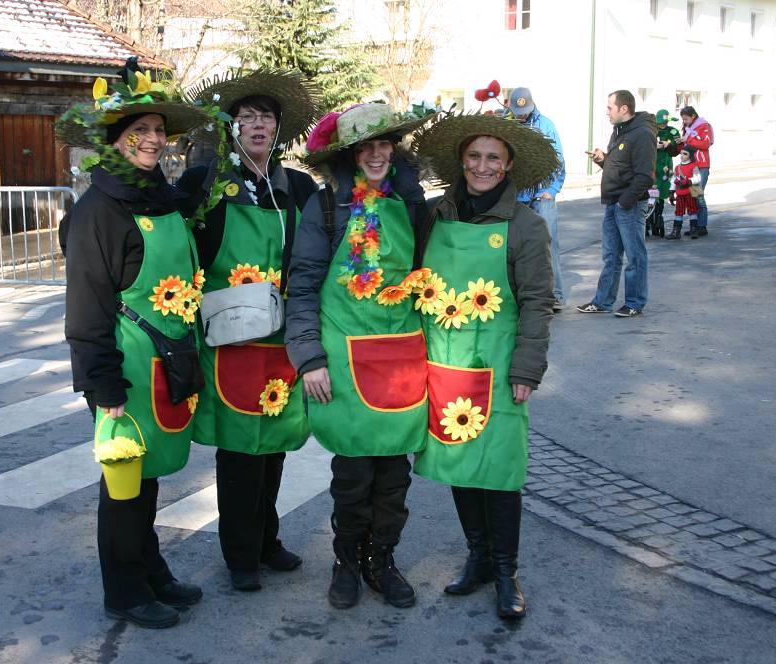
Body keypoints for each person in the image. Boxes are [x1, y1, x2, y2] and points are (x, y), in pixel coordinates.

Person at [56, 58, 211, 629]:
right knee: (124, 483)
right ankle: (124, 589)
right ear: (115, 139)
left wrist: (208, 164)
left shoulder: (157, 196)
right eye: (138, 130)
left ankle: (151, 570)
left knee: (147, 480)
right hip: (124, 371)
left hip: (164, 362)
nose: (151, 139)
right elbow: (86, 307)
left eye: (158, 130)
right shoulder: (98, 210)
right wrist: (104, 386)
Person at [285, 102, 434, 610]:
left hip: (401, 358)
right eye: (365, 146)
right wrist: (309, 357)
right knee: (352, 478)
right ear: (350, 154)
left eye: (384, 144)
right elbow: (304, 284)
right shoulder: (327, 208)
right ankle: (346, 561)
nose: (376, 154)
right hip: (344, 358)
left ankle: (382, 561)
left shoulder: (411, 205)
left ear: (395, 149)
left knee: (393, 478)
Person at [177, 70, 321, 593]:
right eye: (247, 117)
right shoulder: (205, 183)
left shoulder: (298, 187)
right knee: (239, 453)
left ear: (278, 129)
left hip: (280, 341)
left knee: (274, 447)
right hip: (229, 341)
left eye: (266, 118)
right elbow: (174, 239)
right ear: (230, 126)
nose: (258, 126)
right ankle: (240, 555)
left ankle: (267, 541)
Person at [411, 112, 556, 620]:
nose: (482, 165)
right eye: (474, 156)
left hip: (499, 367)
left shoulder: (526, 226)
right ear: (461, 161)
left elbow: (538, 302)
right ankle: (477, 557)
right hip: (444, 362)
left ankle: (505, 571)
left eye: (493, 157)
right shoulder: (434, 215)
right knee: (459, 462)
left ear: (508, 164)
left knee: (499, 471)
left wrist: (527, 370)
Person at [577, 90, 656, 318]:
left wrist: (624, 202)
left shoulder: (642, 133)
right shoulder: (620, 131)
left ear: (624, 109)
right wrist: (604, 160)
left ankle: (635, 303)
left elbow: (645, 176)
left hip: (629, 205)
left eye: (610, 107)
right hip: (614, 203)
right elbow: (621, 167)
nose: (607, 112)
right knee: (611, 257)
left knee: (635, 256)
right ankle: (603, 302)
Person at [507, 87, 566, 311]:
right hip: (517, 197)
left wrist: (552, 189)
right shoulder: (507, 125)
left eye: (524, 112)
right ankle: (520, 295)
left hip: (542, 197)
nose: (521, 116)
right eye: (518, 112)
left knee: (548, 245)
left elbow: (559, 162)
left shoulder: (546, 125)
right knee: (515, 248)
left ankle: (556, 294)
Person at [677, 106, 714, 237]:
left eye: (686, 119)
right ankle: (695, 226)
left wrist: (687, 139)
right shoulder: (688, 129)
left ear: (693, 116)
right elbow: (686, 147)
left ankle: (701, 226)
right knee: (692, 196)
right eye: (683, 119)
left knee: (697, 194)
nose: (684, 122)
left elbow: (705, 144)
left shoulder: (704, 126)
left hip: (701, 165)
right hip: (689, 166)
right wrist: (679, 143)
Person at [651, 110, 681, 238]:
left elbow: (676, 151)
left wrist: (668, 145)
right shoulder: (651, 131)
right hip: (651, 165)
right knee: (651, 192)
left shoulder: (672, 132)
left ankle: (658, 217)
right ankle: (649, 218)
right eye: (660, 123)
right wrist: (654, 146)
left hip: (665, 167)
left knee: (662, 192)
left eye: (664, 122)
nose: (662, 125)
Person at [669, 147, 702, 239]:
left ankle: (693, 230)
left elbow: (698, 177)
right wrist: (671, 192)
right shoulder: (677, 168)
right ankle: (676, 231)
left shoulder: (693, 165)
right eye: (681, 153)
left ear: (690, 155)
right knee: (678, 212)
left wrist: (689, 181)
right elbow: (673, 180)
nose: (682, 156)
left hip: (690, 192)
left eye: (685, 154)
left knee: (692, 211)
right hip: (680, 193)